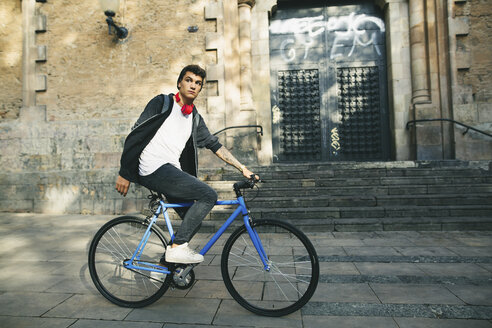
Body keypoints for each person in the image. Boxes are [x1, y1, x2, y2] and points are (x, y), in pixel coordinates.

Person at [115, 64, 258, 264]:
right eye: (189, 80)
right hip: (153, 167)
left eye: (198, 83)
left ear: (200, 89)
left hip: (171, 171)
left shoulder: (194, 118)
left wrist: (242, 168)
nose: (193, 85)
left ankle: (168, 266)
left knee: (193, 220)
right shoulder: (162, 103)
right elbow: (136, 134)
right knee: (208, 195)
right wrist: (125, 173)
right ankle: (176, 249)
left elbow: (214, 144)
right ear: (179, 83)